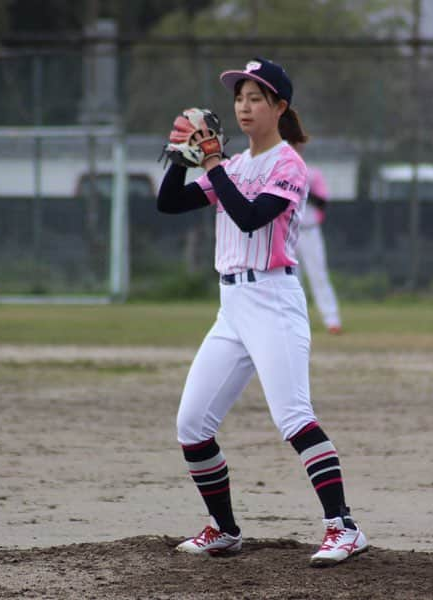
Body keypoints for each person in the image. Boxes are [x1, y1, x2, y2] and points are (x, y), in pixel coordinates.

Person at [156, 57, 368, 567]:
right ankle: (224, 529)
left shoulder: (288, 164)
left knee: (294, 417)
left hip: (274, 302)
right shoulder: (233, 167)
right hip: (231, 307)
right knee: (192, 424)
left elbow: (251, 219)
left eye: (256, 97)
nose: (244, 106)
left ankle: (344, 528)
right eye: (239, 97)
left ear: (280, 107)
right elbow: (169, 203)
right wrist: (182, 157)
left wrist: (210, 162)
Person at [292, 143, 343, 335]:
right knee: (292, 280)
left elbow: (323, 202)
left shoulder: (312, 174)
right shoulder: (279, 172)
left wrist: (304, 188)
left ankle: (332, 320)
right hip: (289, 232)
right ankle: (296, 322)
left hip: (310, 231)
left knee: (318, 276)